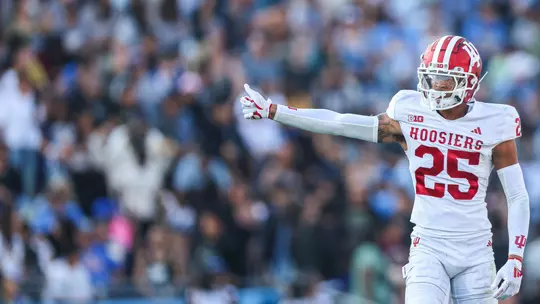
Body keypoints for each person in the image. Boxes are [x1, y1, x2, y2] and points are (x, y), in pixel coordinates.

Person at [240, 35, 530, 303]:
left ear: (470, 83)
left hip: (476, 248)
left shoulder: (496, 122)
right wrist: (274, 111)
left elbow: (516, 196)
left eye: (446, 79)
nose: (436, 85)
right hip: (429, 244)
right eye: (433, 76)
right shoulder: (409, 110)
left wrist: (515, 257)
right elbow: (340, 123)